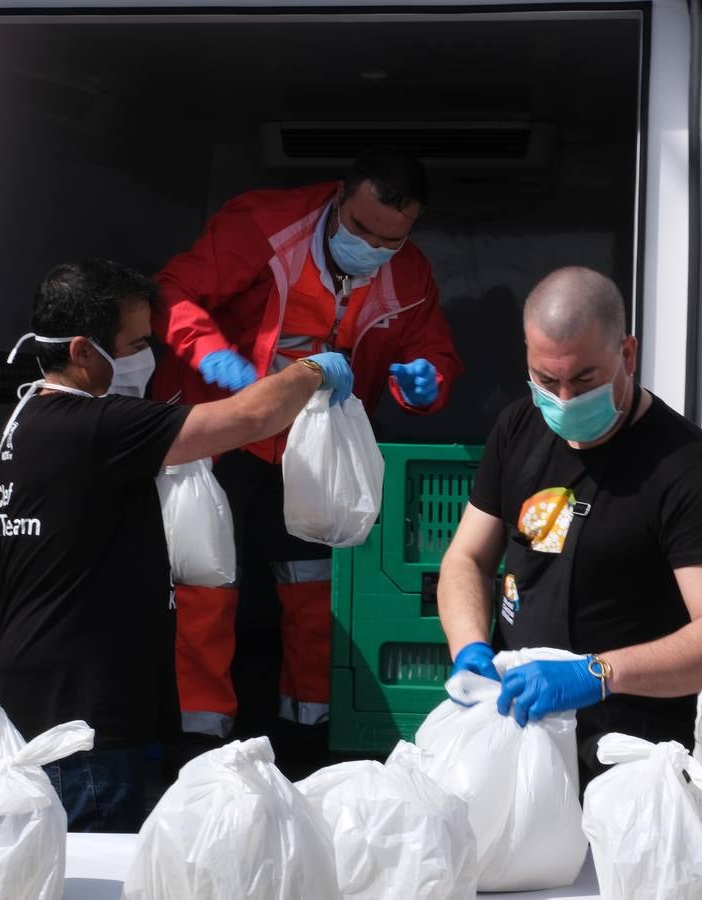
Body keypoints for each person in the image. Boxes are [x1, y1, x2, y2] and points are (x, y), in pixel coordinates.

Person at [0, 259, 354, 831]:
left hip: (53, 708)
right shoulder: (95, 426)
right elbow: (251, 416)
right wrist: (313, 368)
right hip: (82, 727)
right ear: (83, 351)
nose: (148, 357)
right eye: (135, 343)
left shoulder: (30, 417)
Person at [149, 148, 465, 756]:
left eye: (390, 239)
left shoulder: (410, 274)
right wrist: (211, 355)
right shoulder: (266, 226)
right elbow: (173, 292)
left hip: (313, 454)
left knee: (318, 594)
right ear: (339, 198)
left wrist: (428, 380)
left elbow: (436, 353)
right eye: (362, 229)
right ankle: (197, 744)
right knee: (203, 586)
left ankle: (311, 740)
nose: (372, 246)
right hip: (222, 436)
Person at [437, 265, 702, 784]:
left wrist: (599, 674)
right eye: (546, 380)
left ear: (627, 355)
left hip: (626, 761)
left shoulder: (685, 468)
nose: (563, 399)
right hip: (519, 739)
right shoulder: (518, 426)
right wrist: (469, 646)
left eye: (584, 379)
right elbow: (467, 557)